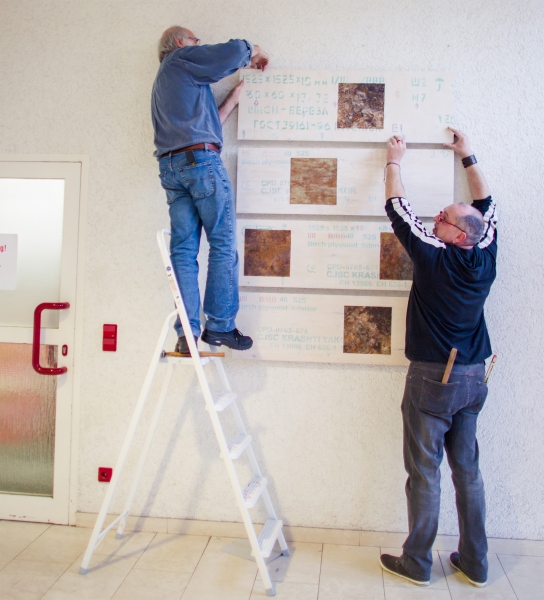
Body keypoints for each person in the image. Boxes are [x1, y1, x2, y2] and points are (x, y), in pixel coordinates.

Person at [379, 128, 497, 588]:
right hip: (473, 377)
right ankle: (476, 561)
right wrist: (468, 155)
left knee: (424, 471)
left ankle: (417, 562)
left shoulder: (434, 257)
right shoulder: (485, 252)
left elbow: (397, 210)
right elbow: (486, 207)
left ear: (457, 234)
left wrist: (394, 161)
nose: (435, 217)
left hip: (433, 380)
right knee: (467, 469)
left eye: (443, 216)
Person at [152, 26, 269, 352]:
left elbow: (202, 126)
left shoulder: (165, 82)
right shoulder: (181, 59)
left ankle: (187, 335)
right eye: (194, 41)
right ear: (179, 43)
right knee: (222, 242)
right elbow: (233, 51)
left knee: (184, 253)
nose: (198, 45)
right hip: (200, 165)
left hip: (172, 168)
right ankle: (219, 326)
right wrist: (255, 49)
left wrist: (232, 99)